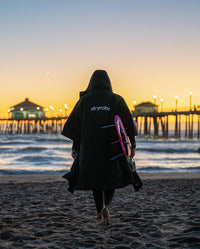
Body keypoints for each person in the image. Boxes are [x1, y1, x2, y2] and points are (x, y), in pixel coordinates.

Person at [61, 70, 138, 224]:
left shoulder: (85, 100)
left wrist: (75, 148)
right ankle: (107, 206)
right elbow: (128, 123)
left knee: (96, 178)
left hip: (90, 147)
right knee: (111, 177)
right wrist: (132, 145)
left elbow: (77, 127)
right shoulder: (117, 99)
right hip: (112, 146)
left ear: (91, 82)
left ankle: (98, 212)